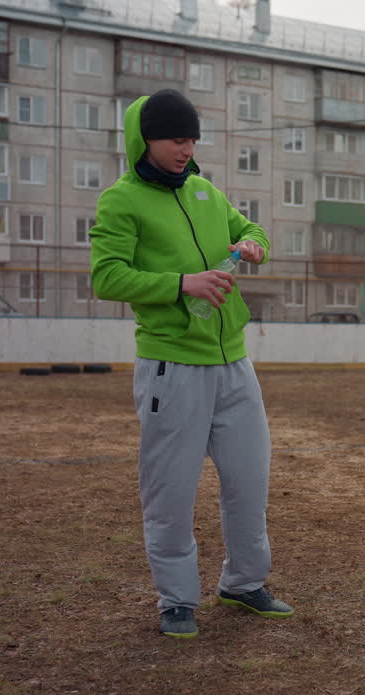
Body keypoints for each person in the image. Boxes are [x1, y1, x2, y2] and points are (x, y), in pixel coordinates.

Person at [90, 89, 293, 639]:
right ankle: (177, 599)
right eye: (176, 139)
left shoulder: (204, 191)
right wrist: (184, 284)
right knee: (171, 489)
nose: (187, 148)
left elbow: (252, 230)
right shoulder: (121, 201)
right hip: (171, 368)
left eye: (192, 138)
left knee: (249, 481)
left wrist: (254, 244)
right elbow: (106, 276)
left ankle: (244, 583)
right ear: (145, 138)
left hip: (234, 363)